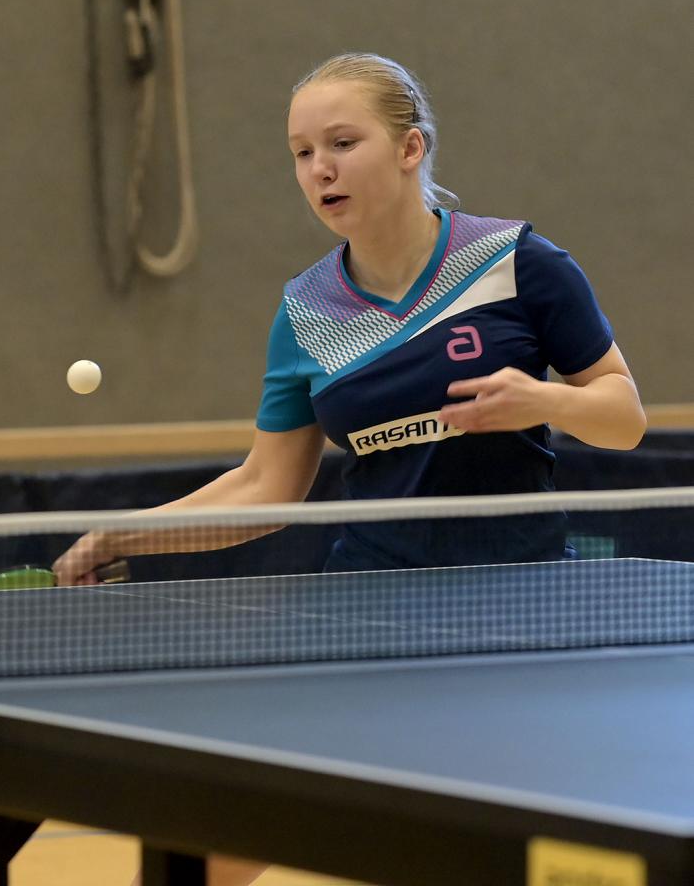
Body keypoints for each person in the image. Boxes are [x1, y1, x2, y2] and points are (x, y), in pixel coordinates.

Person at [52, 51, 644, 886]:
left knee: (532, 848)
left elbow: (624, 416)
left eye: (341, 142)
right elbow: (265, 485)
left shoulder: (519, 263)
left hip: (521, 604)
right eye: (301, 153)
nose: (318, 169)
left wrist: (545, 401)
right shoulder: (306, 313)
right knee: (233, 832)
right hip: (370, 606)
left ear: (410, 148)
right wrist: (123, 535)